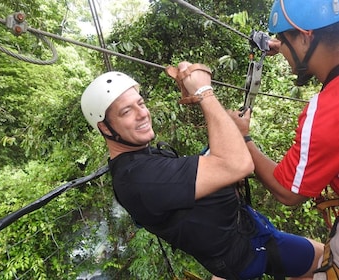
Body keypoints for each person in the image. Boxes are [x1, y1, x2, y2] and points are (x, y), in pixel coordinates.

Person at [80, 61, 323, 279]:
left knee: (316, 258)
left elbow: (205, 165)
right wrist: (204, 93)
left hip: (246, 236)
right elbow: (236, 164)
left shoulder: (141, 159)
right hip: (247, 252)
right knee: (322, 260)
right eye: (126, 111)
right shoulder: (141, 179)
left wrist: (231, 132)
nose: (142, 114)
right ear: (105, 127)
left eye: (140, 103)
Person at [228, 0, 339, 278]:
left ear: (305, 36)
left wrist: (243, 138)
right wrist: (287, 47)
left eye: (282, 38)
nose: (278, 45)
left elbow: (287, 191)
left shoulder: (326, 111)